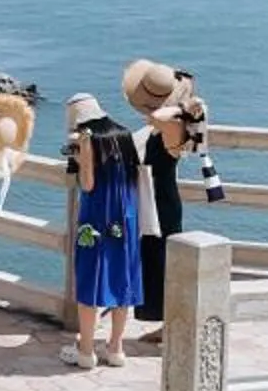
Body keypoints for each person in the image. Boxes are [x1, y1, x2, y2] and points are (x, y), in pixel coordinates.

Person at [124, 60, 207, 344]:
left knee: (163, 266)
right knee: (155, 264)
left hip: (162, 205)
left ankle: (173, 328)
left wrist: (181, 107)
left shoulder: (173, 126)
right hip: (154, 200)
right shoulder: (168, 124)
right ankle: (167, 327)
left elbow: (157, 117)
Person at [62, 93, 142, 369]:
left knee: (90, 277)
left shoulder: (88, 138)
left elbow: (87, 184)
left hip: (97, 215)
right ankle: (115, 348)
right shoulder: (124, 134)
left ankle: (86, 351)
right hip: (125, 215)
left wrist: (79, 154)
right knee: (123, 278)